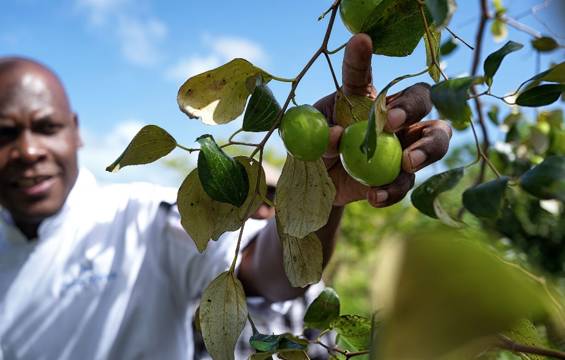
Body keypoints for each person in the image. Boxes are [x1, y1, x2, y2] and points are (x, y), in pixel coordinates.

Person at [0, 34, 451, 359]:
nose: (27, 151)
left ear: (76, 131)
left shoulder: (141, 219)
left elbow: (272, 278)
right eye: (4, 134)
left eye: (46, 127)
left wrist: (316, 197)